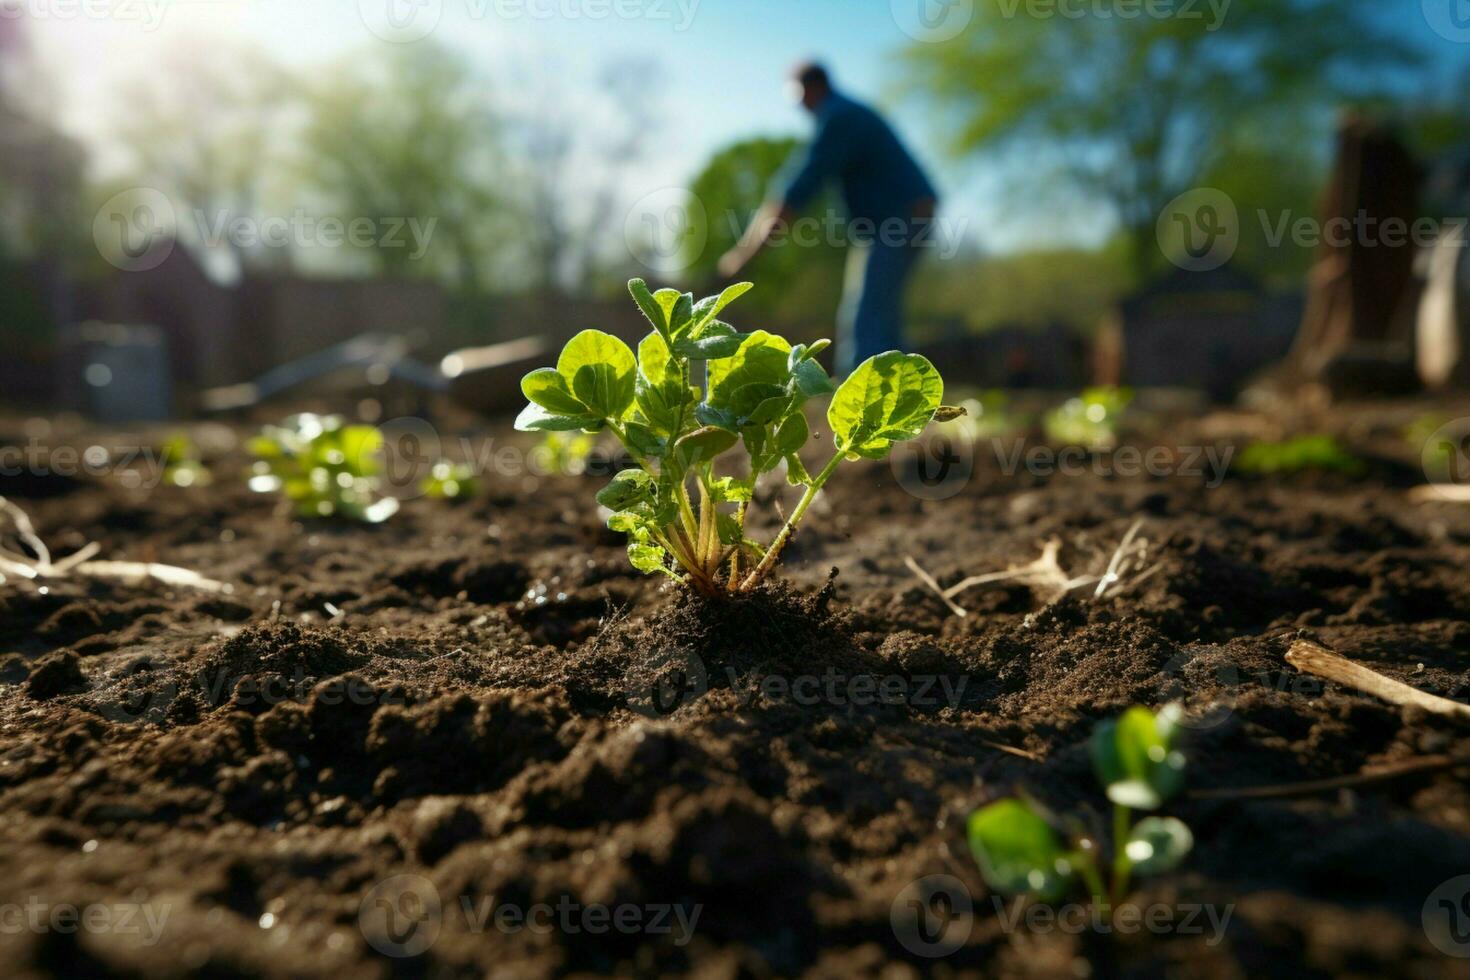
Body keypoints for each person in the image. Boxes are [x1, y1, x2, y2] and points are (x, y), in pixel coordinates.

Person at [717, 61, 939, 374]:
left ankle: (863, 408)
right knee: (881, 314)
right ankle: (903, 400)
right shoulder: (846, 113)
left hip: (898, 219)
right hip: (900, 216)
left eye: (798, 98)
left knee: (868, 315)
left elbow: (796, 190)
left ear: (812, 88)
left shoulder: (839, 118)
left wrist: (743, 255)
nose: (799, 108)